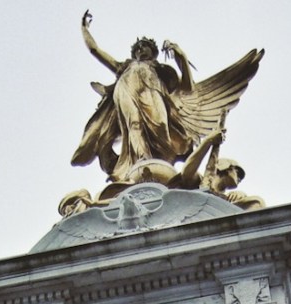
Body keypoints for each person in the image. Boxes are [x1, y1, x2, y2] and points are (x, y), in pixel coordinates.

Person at [72, 12, 263, 183]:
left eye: (145, 47)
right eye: (137, 48)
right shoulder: (124, 67)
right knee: (134, 125)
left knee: (161, 125)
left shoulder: (162, 71)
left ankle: (161, 161)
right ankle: (142, 160)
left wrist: (181, 55)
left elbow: (188, 86)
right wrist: (84, 30)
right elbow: (95, 50)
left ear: (153, 51)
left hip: (154, 94)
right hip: (126, 93)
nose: (140, 50)